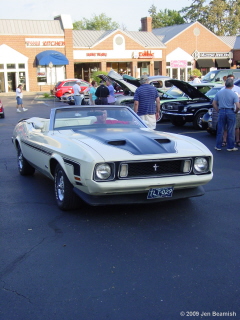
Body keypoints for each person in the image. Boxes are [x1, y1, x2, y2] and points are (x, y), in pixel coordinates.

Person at [212, 78, 239, 151]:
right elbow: (238, 106)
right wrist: (236, 111)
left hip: (221, 111)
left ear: (225, 84)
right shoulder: (234, 94)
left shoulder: (219, 93)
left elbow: (214, 103)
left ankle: (218, 146)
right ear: (232, 85)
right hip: (230, 111)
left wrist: (218, 110)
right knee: (231, 130)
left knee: (220, 129)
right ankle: (230, 147)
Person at [219, 74, 240, 146]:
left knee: (236, 127)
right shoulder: (222, 89)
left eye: (232, 79)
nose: (230, 80)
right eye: (229, 79)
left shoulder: (238, 89)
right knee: (225, 128)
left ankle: (237, 141)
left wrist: (237, 110)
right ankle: (224, 141)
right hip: (227, 110)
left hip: (235, 111)